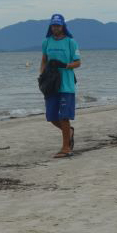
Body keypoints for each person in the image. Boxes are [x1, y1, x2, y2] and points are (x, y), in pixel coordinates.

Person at [39, 13, 81, 158]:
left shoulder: (71, 42)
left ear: (63, 26)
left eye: (58, 25)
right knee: (51, 116)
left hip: (66, 84)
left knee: (64, 116)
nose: (55, 28)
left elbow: (78, 62)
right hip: (51, 84)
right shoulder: (46, 42)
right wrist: (41, 76)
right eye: (53, 25)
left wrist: (66, 65)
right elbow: (44, 60)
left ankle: (66, 147)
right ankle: (69, 131)